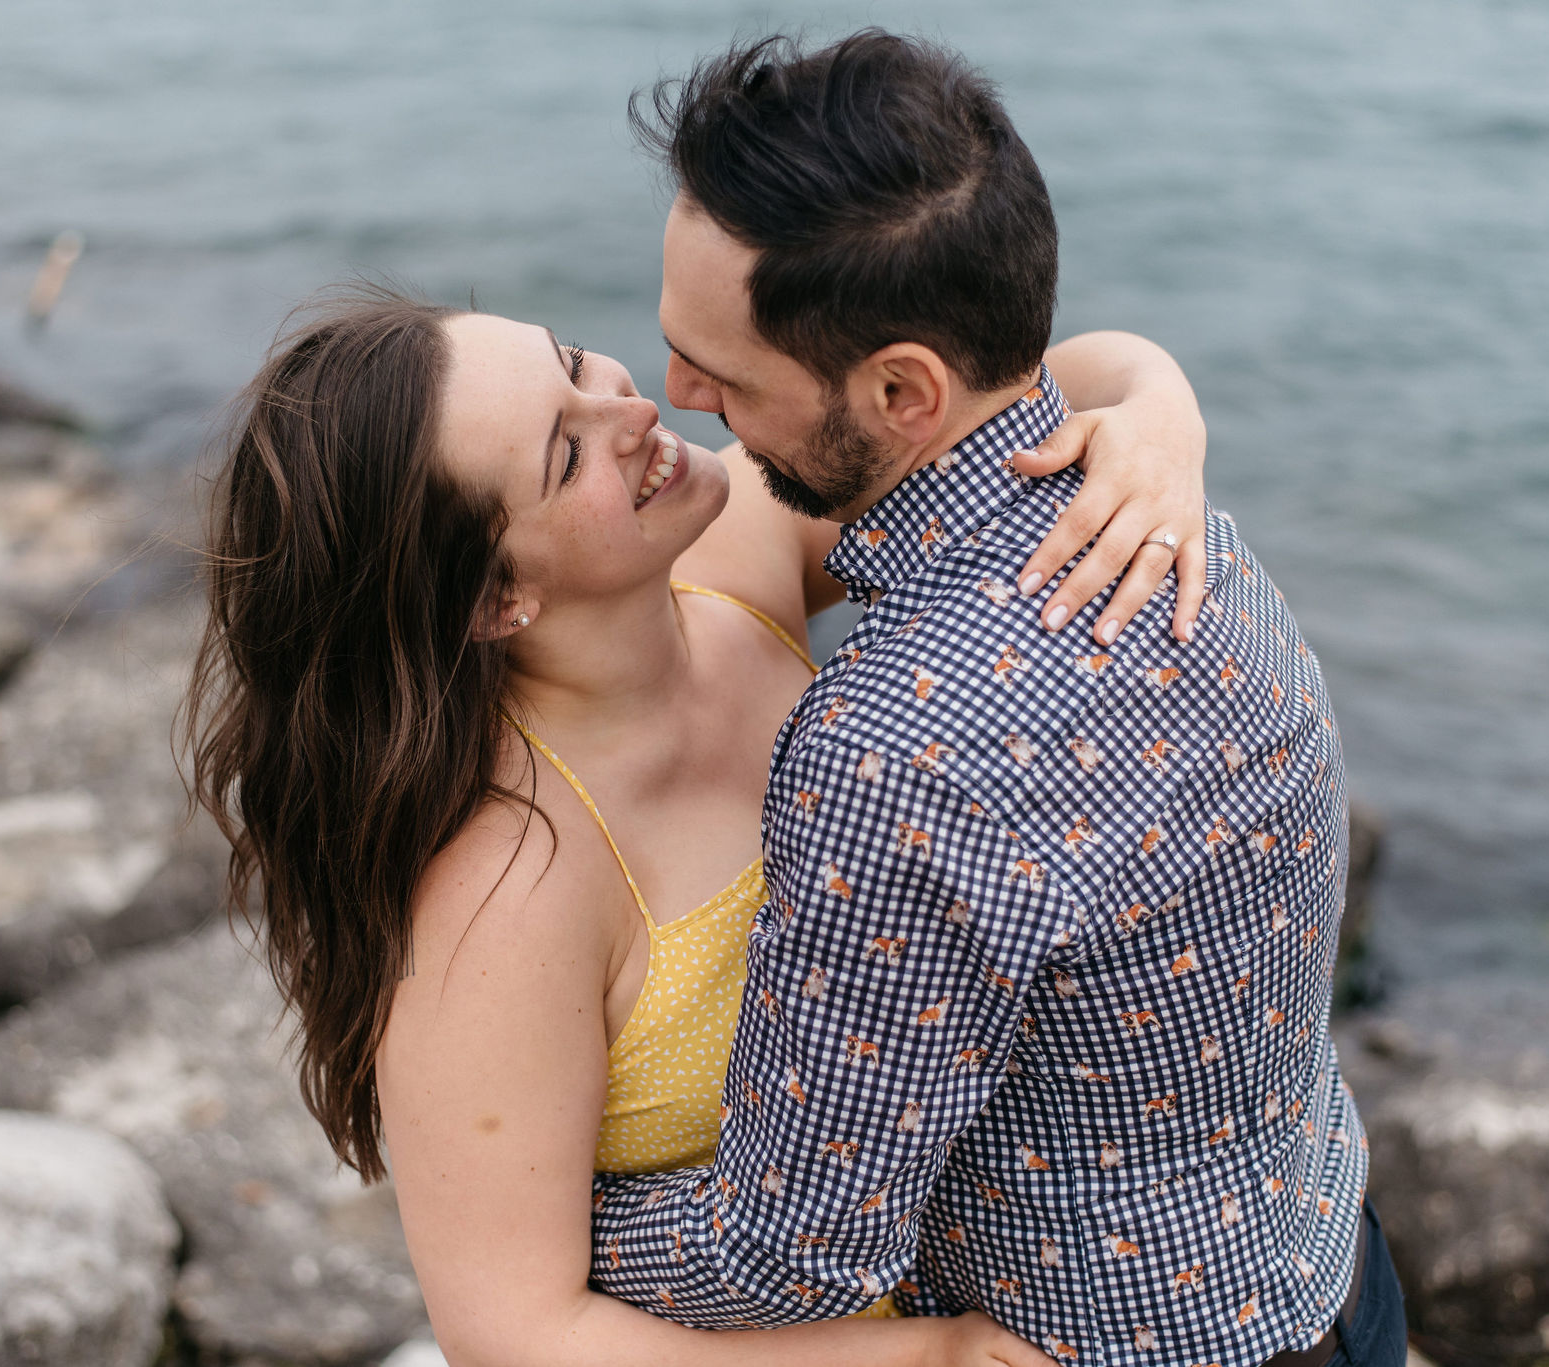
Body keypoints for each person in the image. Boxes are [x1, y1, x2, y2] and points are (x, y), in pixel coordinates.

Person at [577, 31, 1406, 1367]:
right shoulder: (1195, 534)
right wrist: (1160, 392)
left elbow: (794, 1248)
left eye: (722, 373)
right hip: (1337, 1273)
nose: (681, 399)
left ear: (904, 389)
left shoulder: (890, 745)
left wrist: (546, 1218)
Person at [184, 300, 1212, 1364]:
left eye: (572, 360)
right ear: (496, 597)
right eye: (563, 449)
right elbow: (512, 1329)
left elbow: (1016, 396)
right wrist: (919, 1357)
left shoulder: (736, 555)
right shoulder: (499, 895)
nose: (625, 407)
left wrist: (1161, 421)